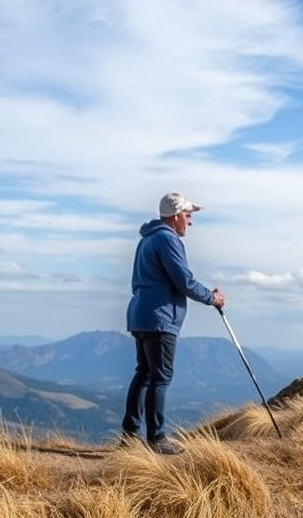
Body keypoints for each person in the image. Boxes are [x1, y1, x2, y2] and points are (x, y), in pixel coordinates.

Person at [121, 191, 226, 455]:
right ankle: (157, 438)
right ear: (177, 216)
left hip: (141, 314)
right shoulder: (168, 240)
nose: (190, 222)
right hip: (160, 317)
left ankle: (129, 435)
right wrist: (212, 299)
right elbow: (184, 281)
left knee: (144, 374)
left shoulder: (147, 240)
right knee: (161, 377)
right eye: (188, 216)